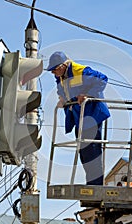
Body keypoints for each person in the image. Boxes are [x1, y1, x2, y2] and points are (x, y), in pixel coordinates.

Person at [47, 51, 110, 185]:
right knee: (84, 153)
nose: (53, 73)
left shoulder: (80, 71)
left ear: (63, 66)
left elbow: (103, 79)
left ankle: (96, 186)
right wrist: (62, 98)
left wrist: (87, 94)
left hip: (92, 115)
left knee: (92, 152)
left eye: (54, 69)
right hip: (80, 117)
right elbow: (61, 89)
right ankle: (92, 184)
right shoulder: (61, 77)